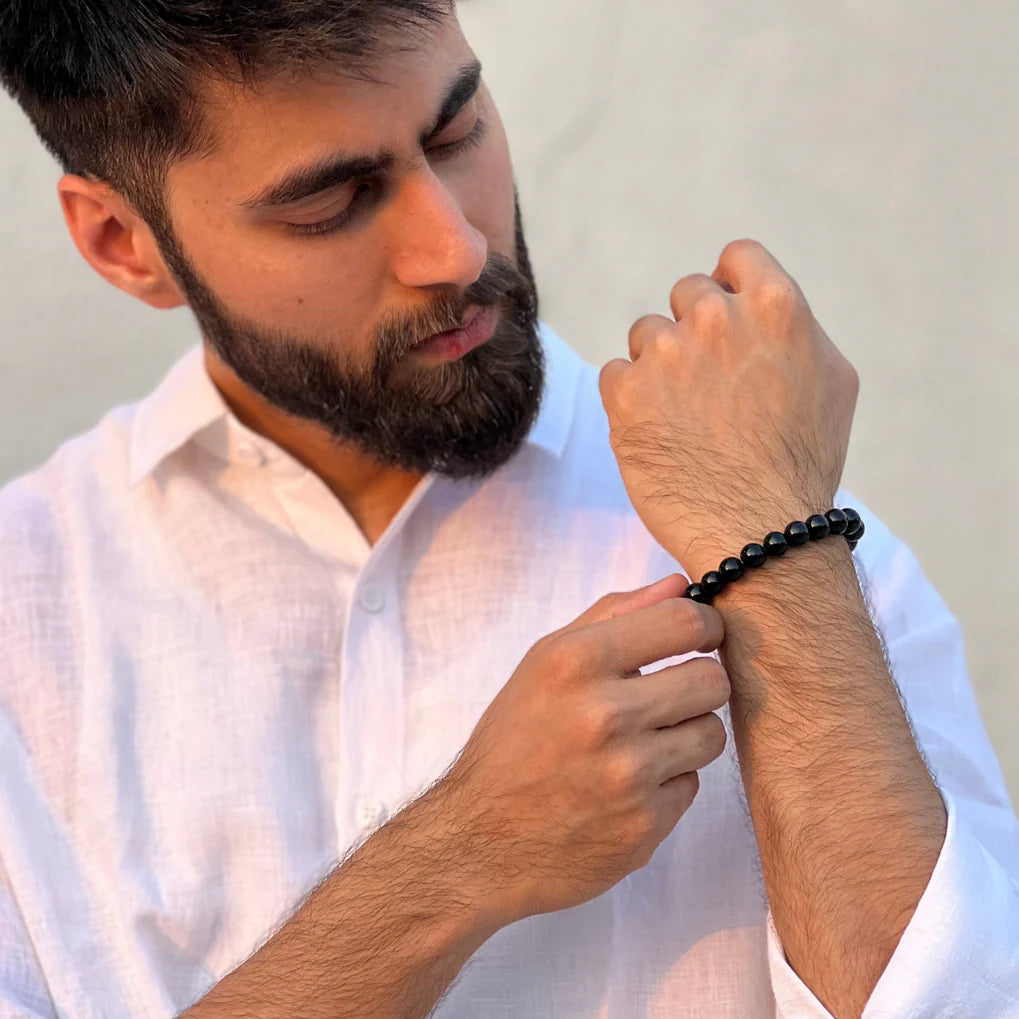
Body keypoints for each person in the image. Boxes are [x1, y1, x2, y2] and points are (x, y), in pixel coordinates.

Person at [0, 2, 1015, 1017]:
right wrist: (451, 863)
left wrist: (778, 558)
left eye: (455, 133)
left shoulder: (799, 547)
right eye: (330, 203)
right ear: (122, 243)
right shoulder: (23, 619)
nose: (452, 247)